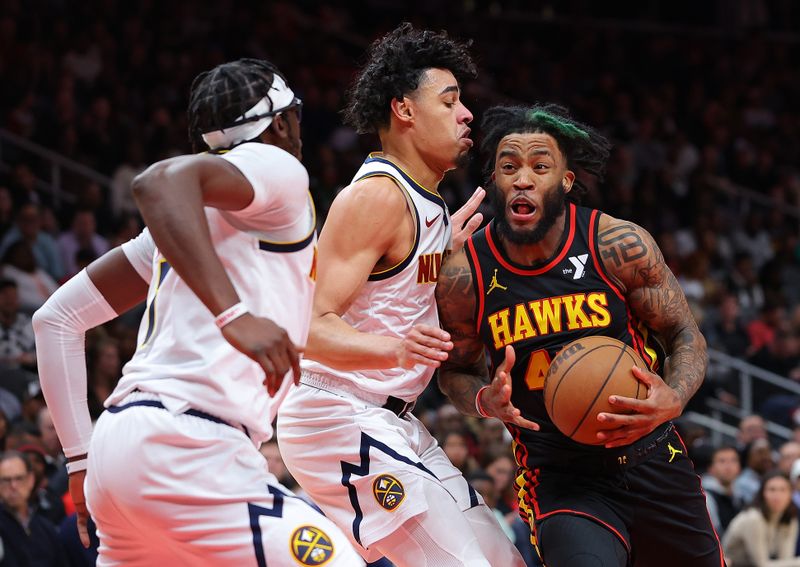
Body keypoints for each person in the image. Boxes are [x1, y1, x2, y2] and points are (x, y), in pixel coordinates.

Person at [32, 58, 363, 566]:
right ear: (281, 122)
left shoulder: (176, 234)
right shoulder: (280, 167)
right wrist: (233, 315)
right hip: (187, 443)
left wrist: (79, 458)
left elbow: (54, 320)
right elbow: (157, 182)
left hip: (119, 448)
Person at [277, 23, 525, 567]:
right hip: (337, 412)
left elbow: (392, 291)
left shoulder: (428, 205)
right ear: (405, 111)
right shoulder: (376, 198)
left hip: (395, 418)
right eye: (450, 100)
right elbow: (305, 329)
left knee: (507, 561)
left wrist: (443, 256)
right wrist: (396, 350)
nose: (466, 116)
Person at [436, 104, 725, 566]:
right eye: (508, 167)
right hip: (560, 477)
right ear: (494, 181)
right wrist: (482, 400)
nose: (523, 179)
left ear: (566, 181)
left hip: (652, 455)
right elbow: (454, 370)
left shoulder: (618, 244)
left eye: (540, 166)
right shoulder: (464, 275)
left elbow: (683, 333)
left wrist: (675, 396)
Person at [0, 450, 66, 565]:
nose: (13, 486)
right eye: (6, 480)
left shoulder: (46, 527)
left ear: (31, 480)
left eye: (19, 478)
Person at [723, 471, 800, 566]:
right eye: (772, 490)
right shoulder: (753, 518)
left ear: (790, 494)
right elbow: (761, 565)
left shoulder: (790, 519)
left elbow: (786, 559)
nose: (777, 496)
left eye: (783, 490)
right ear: (762, 493)